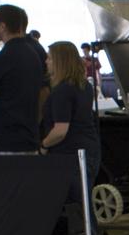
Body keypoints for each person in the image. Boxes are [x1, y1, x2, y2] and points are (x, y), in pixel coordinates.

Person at [40, 41, 101, 191]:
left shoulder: (62, 90)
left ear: (60, 61)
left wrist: (43, 146)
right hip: (89, 150)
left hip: (70, 154)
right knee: (82, 205)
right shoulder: (84, 85)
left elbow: (60, 130)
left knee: (74, 206)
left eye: (50, 58)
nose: (46, 61)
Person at [0, 3, 45, 151]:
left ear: (2, 26)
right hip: (30, 136)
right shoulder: (34, 53)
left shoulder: (2, 58)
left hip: (6, 140)